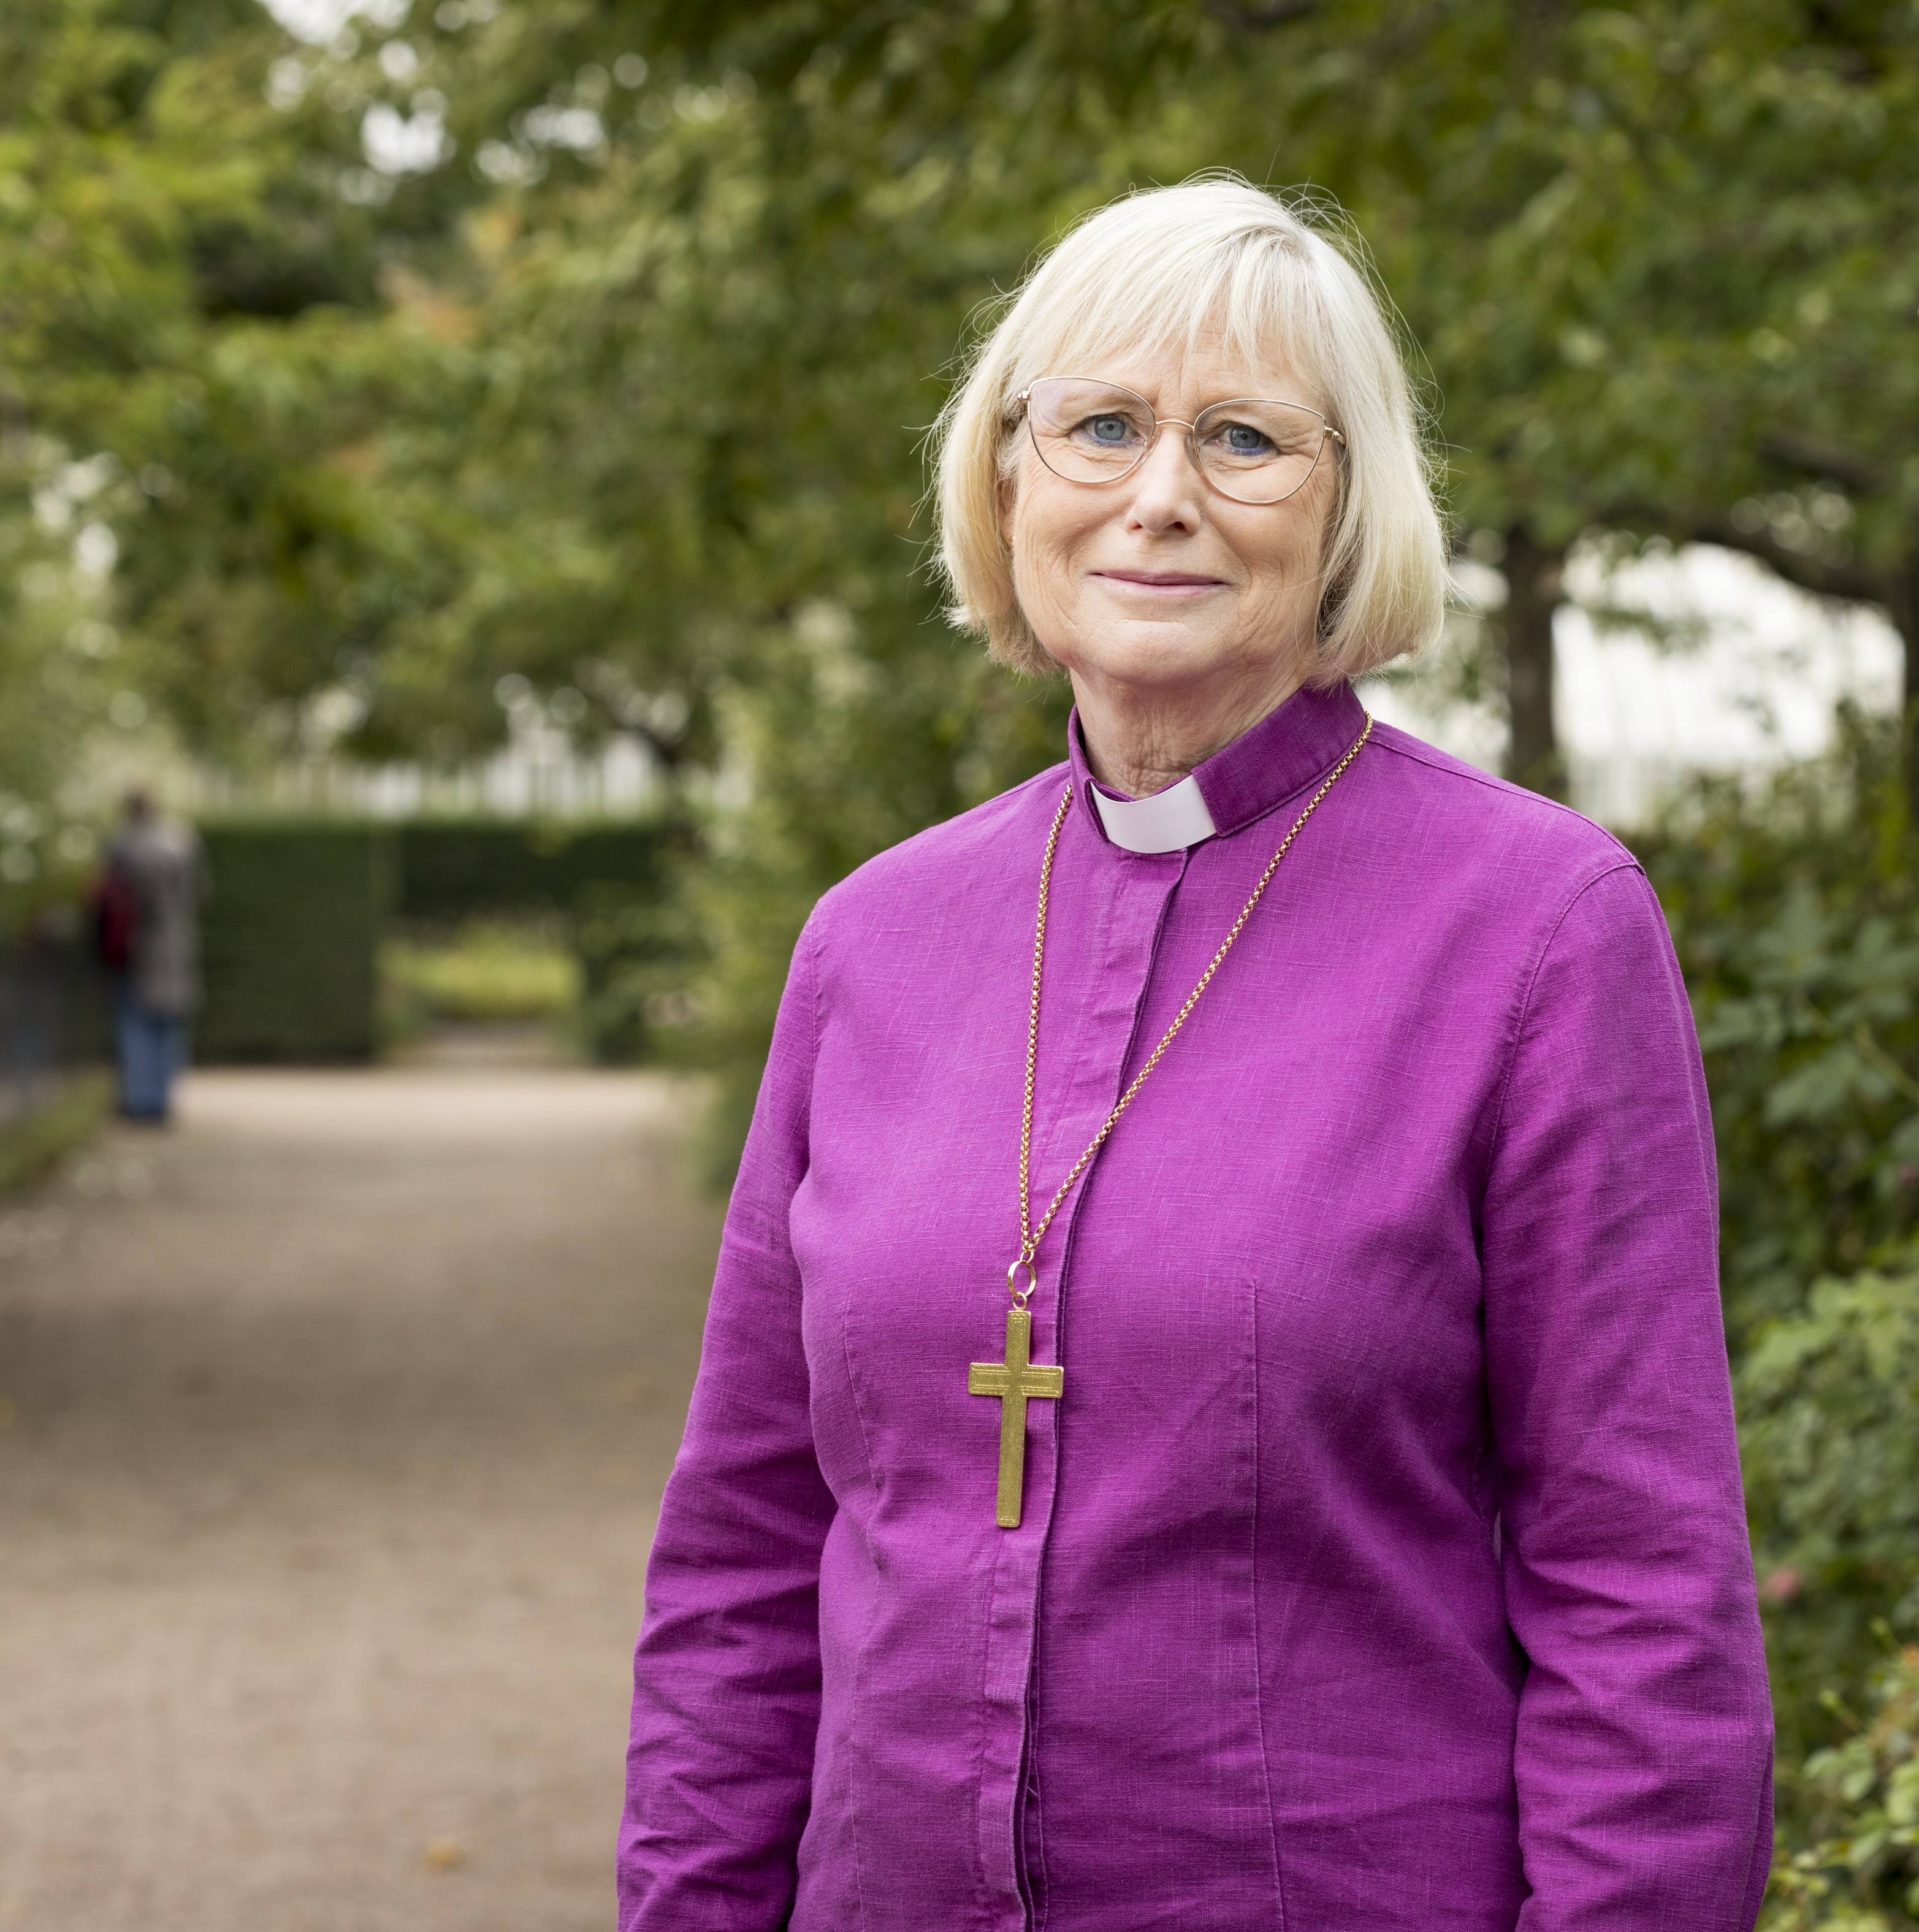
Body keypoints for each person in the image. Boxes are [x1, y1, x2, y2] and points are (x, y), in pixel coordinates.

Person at [619, 178, 1774, 1931]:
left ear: (1346, 510)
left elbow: (1639, 1584)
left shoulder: (1537, 927)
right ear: (1008, 480)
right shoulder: (873, 940)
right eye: (1099, 426)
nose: (1158, 495)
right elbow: (743, 1553)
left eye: (1242, 439)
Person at [96, 789, 206, 1123]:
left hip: (138, 947)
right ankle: (161, 1098)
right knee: (168, 1025)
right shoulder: (183, 840)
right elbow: (200, 891)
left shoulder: (123, 843)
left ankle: (141, 1100)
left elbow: (110, 896)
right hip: (178, 946)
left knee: (136, 1021)